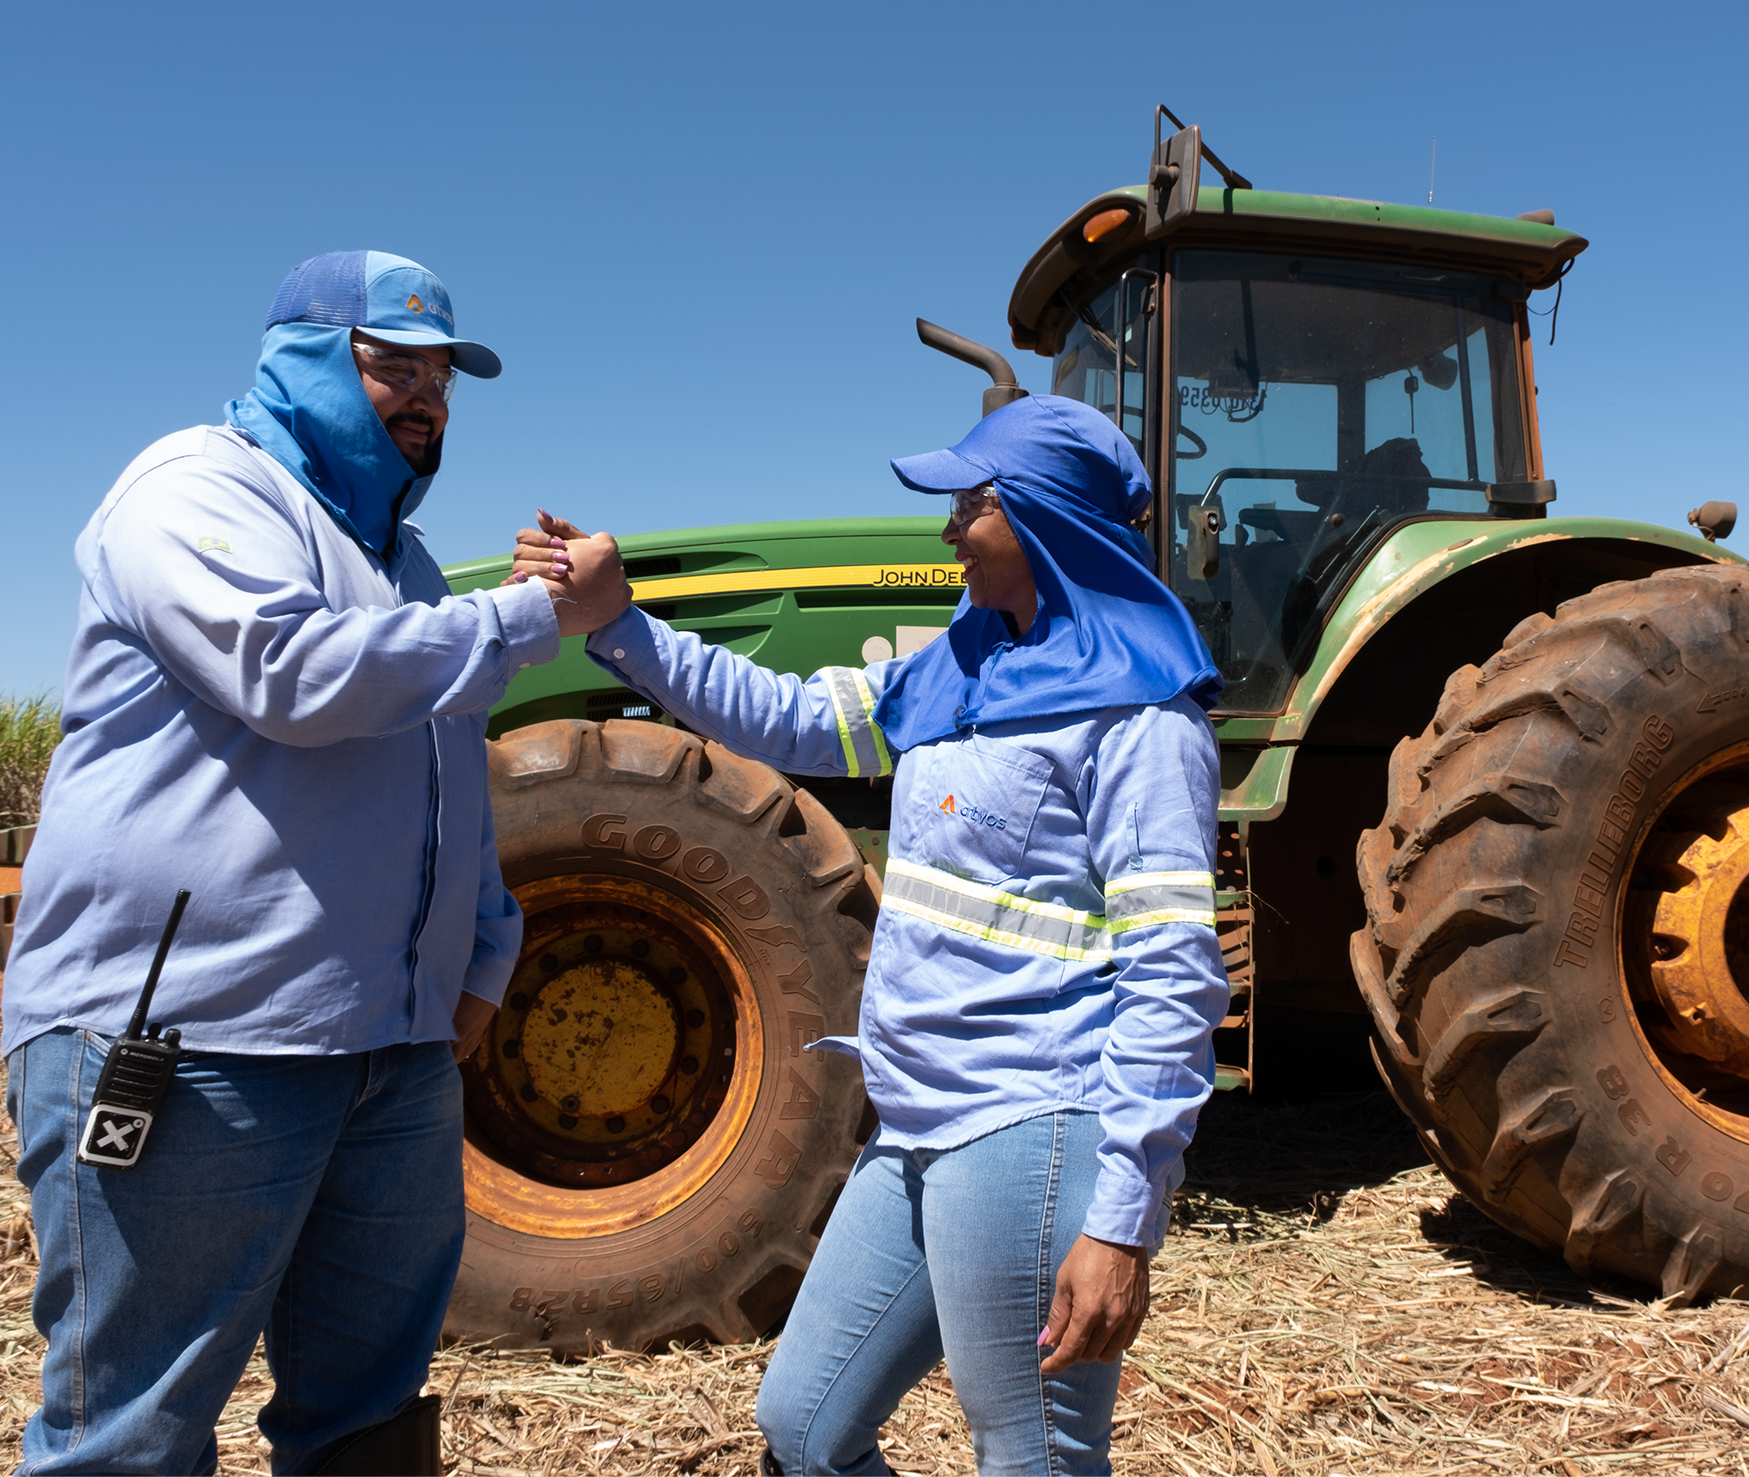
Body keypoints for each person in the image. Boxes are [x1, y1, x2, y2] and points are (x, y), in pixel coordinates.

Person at [514, 394, 1228, 1477]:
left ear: (1042, 517)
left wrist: (1124, 1218)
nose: (947, 530)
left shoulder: (1141, 721)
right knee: (805, 1430)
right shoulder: (956, 669)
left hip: (1031, 1123)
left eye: (971, 505)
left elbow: (1173, 973)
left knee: (1033, 1453)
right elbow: (791, 717)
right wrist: (620, 621)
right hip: (915, 1120)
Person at [0, 252, 571, 1477]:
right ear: (306, 361)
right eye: (394, 366)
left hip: (391, 1058)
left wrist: (483, 952)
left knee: (367, 1416)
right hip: (192, 1046)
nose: (428, 399)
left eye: (444, 378)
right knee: (131, 1431)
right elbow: (291, 675)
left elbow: (448, 781)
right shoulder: (193, 488)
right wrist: (530, 618)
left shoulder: (408, 565)